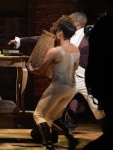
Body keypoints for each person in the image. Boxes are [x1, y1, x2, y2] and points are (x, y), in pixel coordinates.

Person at [8, 12, 106, 138]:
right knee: (55, 109)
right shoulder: (66, 33)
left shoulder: (90, 35)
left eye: (70, 19)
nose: (66, 21)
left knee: (97, 109)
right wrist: (20, 40)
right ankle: (47, 134)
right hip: (69, 78)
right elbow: (46, 39)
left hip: (83, 78)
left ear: (77, 23)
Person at [27, 19, 80, 150]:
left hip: (58, 87)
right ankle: (71, 139)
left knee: (38, 115)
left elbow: (41, 70)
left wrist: (31, 69)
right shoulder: (76, 50)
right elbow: (75, 68)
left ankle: (49, 145)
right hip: (72, 88)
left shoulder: (55, 51)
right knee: (52, 116)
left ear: (60, 33)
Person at [83, 12, 113, 149]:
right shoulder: (102, 26)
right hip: (101, 81)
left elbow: (96, 59)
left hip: (103, 80)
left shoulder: (103, 26)